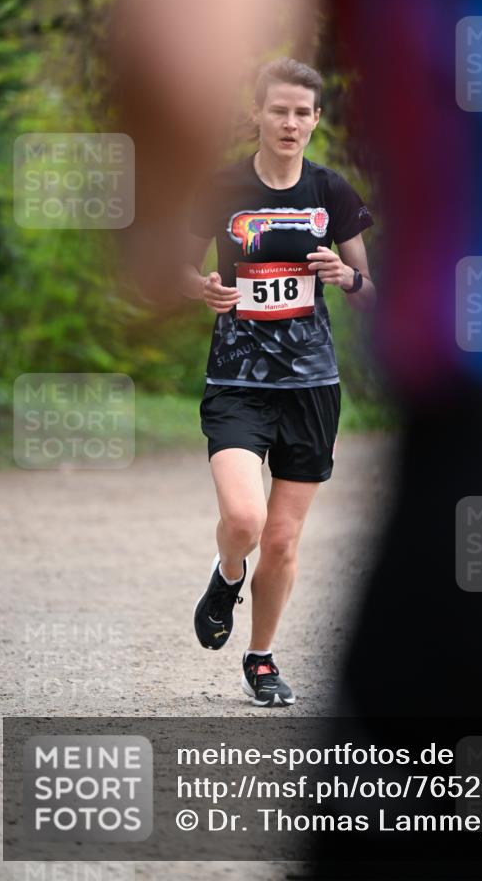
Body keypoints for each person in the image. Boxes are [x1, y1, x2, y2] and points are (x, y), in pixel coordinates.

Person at [182, 57, 375, 707]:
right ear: (257, 114)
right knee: (244, 519)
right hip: (237, 379)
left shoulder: (331, 192)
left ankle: (260, 659)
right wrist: (201, 287)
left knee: (284, 538)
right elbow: (179, 268)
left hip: (312, 385)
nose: (290, 122)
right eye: (279, 110)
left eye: (301, 112)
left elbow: (369, 290)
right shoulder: (221, 187)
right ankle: (226, 574)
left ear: (315, 120)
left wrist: (345, 277)